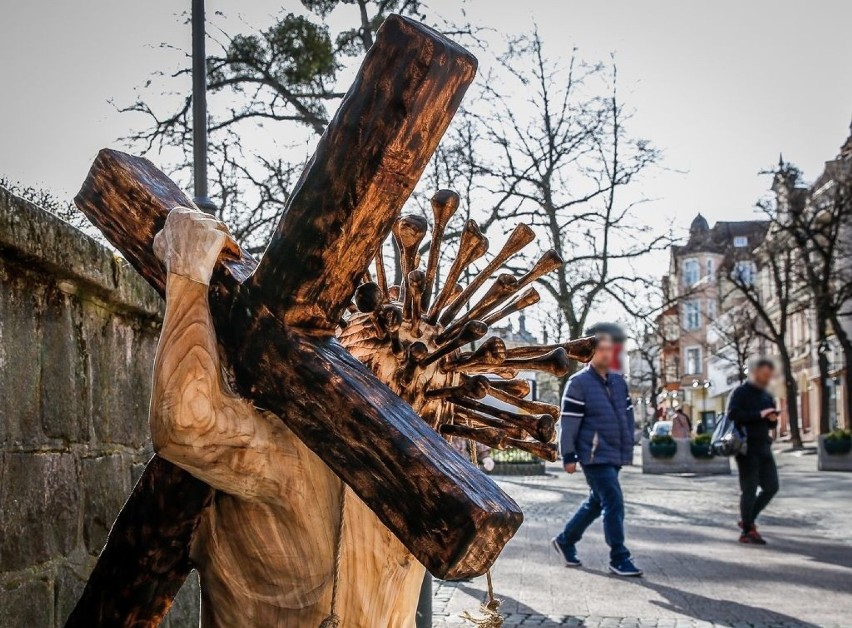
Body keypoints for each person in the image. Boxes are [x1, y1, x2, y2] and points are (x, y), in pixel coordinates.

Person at [551, 335, 642, 577]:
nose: (605, 354)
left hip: (614, 453)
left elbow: (627, 417)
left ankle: (565, 541)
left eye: (609, 350)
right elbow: (569, 422)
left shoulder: (618, 382)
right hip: (593, 455)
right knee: (613, 500)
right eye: (600, 350)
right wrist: (568, 455)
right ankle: (619, 557)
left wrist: (628, 446)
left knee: (597, 501)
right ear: (590, 354)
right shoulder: (578, 383)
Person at [728, 358, 780, 545]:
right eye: (763, 374)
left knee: (772, 486)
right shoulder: (740, 392)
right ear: (754, 373)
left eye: (769, 375)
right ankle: (748, 531)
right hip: (746, 447)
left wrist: (772, 419)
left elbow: (771, 422)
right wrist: (759, 415)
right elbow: (733, 415)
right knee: (749, 489)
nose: (766, 378)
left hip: (764, 446)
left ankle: (747, 521)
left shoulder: (767, 395)